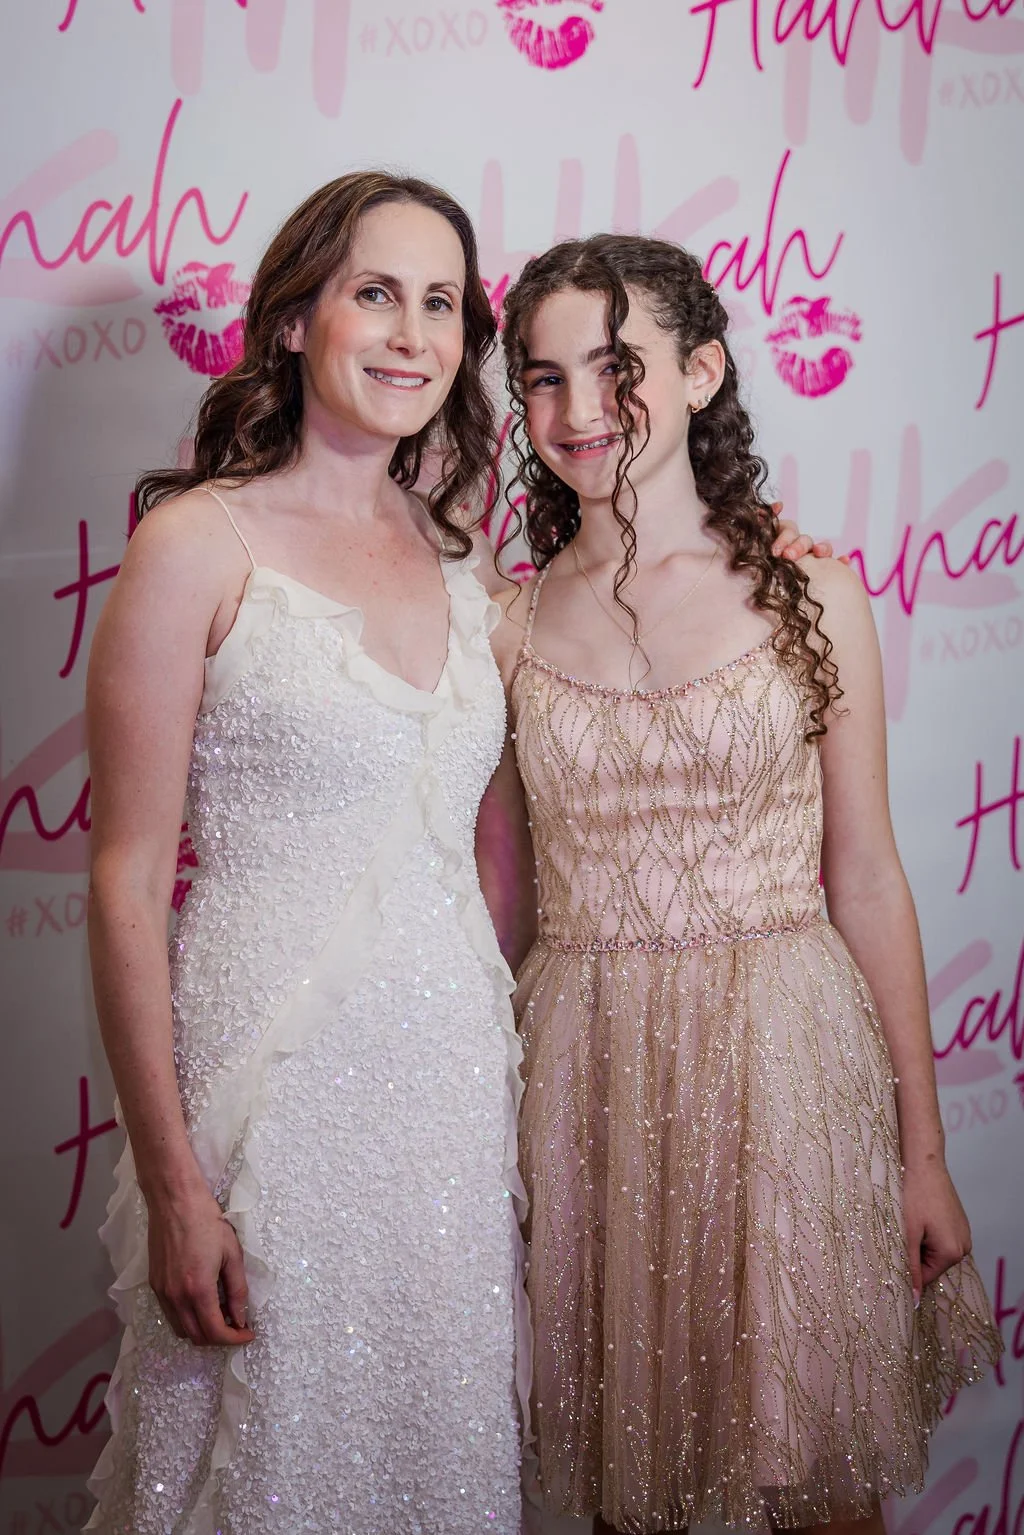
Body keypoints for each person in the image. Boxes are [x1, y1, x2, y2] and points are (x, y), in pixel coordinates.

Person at [487, 234, 1003, 1535]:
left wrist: (924, 1156)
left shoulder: (811, 590)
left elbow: (868, 877)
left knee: (820, 1482)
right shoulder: (501, 624)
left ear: (703, 374)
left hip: (785, 1060)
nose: (580, 409)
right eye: (543, 377)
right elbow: (504, 905)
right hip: (589, 1075)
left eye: (617, 368)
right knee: (631, 1489)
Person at [84, 170, 529, 1534]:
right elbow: (122, 878)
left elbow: (495, 860)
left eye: (441, 303)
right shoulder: (194, 544)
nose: (412, 334)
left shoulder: (465, 561)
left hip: (449, 1119)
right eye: (375, 292)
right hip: (267, 1113)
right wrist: (176, 1183)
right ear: (294, 320)